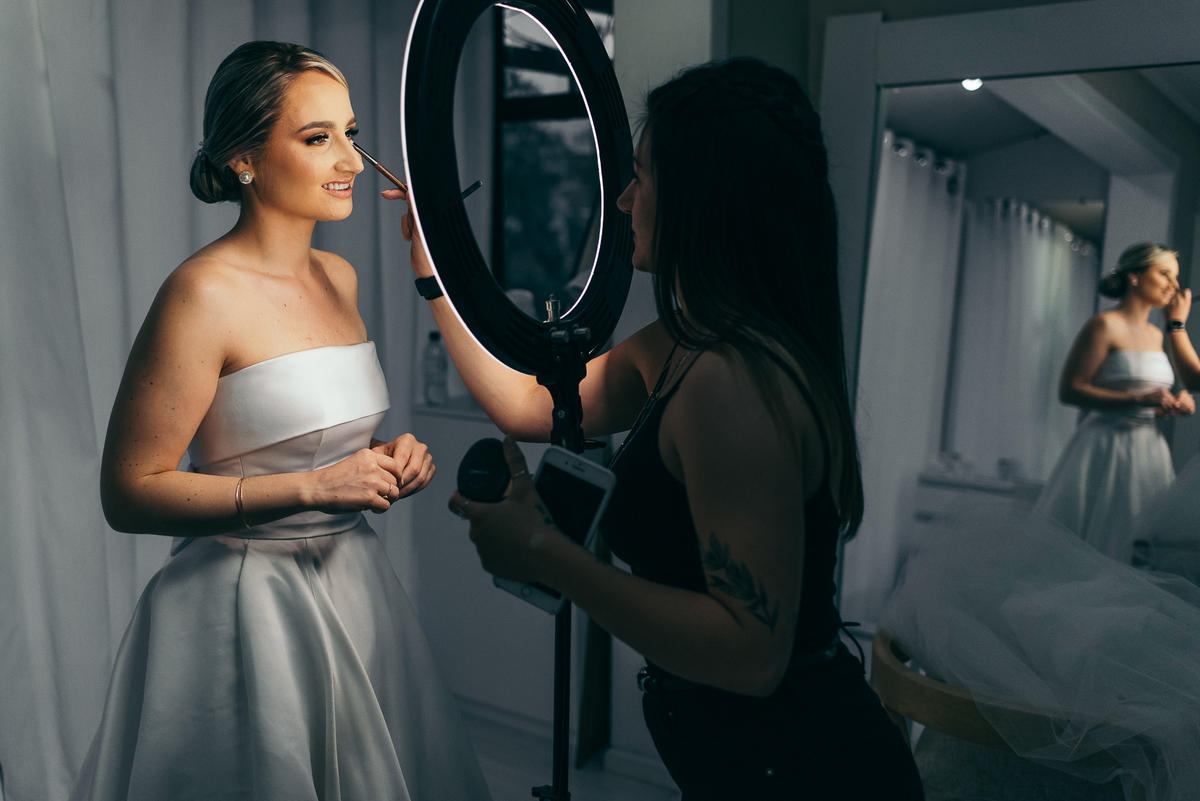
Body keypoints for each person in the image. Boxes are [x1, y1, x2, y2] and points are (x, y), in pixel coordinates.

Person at [396, 58, 923, 799]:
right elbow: (530, 406)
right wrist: (435, 274)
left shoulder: (729, 383)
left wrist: (549, 555)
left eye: (642, 176)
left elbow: (751, 653)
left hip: (802, 771)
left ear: (702, 198)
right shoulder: (686, 343)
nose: (624, 200)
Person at [73, 42, 491, 801]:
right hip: (241, 609)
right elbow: (127, 491)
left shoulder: (342, 276)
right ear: (242, 158)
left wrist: (386, 456)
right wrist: (312, 486)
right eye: (317, 137)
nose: (352, 162)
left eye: (352, 133)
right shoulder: (200, 295)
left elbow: (316, 434)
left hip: (355, 586)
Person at [1032, 242, 1193, 563]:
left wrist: (1173, 404)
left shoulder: (1157, 335)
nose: (1174, 286)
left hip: (1149, 454)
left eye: (1176, 278)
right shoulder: (1104, 325)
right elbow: (1071, 390)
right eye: (1165, 274)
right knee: (1094, 547)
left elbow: (1150, 402)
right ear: (1135, 275)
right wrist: (1139, 398)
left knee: (1137, 550)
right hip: (1106, 449)